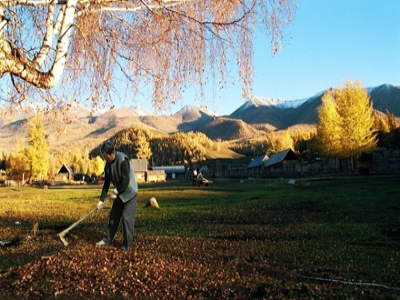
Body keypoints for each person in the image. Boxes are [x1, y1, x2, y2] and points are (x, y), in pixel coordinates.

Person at [96, 141, 138, 252]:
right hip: (119, 192)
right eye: (104, 158)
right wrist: (101, 200)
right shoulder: (107, 166)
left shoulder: (123, 160)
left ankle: (126, 246)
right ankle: (107, 239)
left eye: (107, 157)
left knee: (126, 218)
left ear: (113, 152)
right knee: (113, 216)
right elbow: (106, 184)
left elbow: (125, 181)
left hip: (130, 192)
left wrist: (115, 191)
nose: (106, 160)